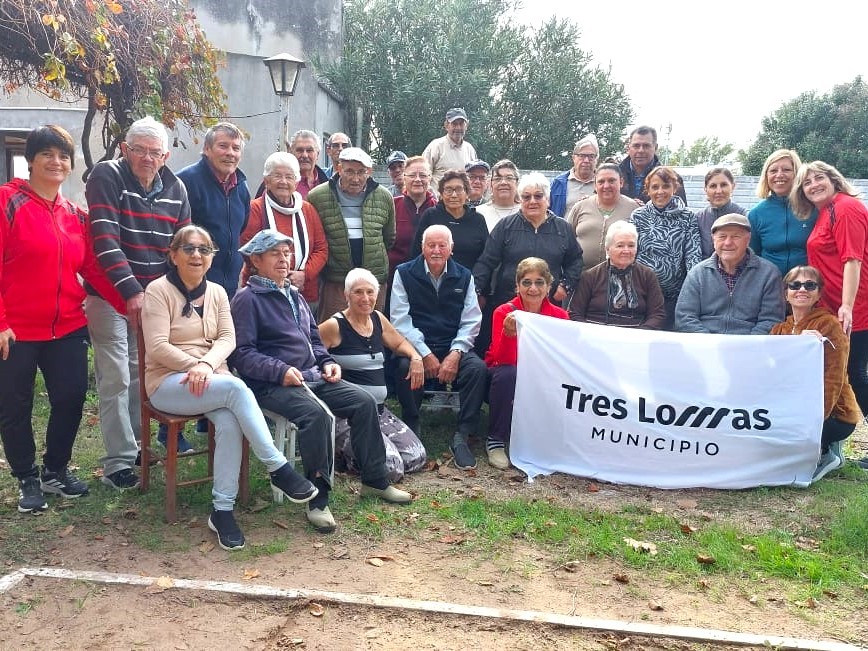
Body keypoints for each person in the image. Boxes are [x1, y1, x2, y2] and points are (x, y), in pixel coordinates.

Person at [141, 225, 317, 549]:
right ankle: (277, 466)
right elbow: (156, 346)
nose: (197, 255)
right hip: (168, 382)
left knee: (229, 420)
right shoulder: (158, 291)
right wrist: (194, 366)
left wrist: (206, 365)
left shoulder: (219, 292)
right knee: (236, 390)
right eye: (190, 249)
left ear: (211, 258)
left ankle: (222, 510)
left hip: (210, 379)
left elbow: (228, 339)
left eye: (204, 249)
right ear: (173, 255)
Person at [231, 231, 412, 533]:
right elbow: (242, 354)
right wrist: (279, 371)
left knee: (364, 401)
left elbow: (314, 340)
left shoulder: (294, 295)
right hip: (271, 385)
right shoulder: (247, 299)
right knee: (316, 416)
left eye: (286, 253)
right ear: (256, 260)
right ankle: (318, 499)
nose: (284, 259)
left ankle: (375, 481)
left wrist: (327, 362)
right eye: (275, 253)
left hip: (311, 377)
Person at [0, 125, 125, 513]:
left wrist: (132, 301)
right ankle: (26, 478)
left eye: (63, 156)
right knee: (14, 406)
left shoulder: (75, 215)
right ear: (31, 159)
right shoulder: (7, 202)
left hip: (68, 326)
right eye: (47, 154)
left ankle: (55, 470)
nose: (56, 162)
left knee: (70, 398)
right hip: (16, 331)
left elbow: (93, 269)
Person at [86, 116, 193, 479]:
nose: (147, 158)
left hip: (154, 297)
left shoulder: (176, 187)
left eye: (154, 152)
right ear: (124, 149)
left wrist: (177, 292)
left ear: (165, 155)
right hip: (109, 294)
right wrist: (131, 291)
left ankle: (137, 449)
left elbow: (182, 245)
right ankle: (119, 460)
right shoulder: (107, 176)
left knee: (140, 372)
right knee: (115, 374)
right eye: (139, 150)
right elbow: (105, 238)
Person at [391, 225, 488, 470]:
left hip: (451, 343)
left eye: (441, 245)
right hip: (416, 345)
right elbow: (400, 320)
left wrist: (455, 353)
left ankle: (463, 435)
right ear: (422, 247)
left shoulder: (464, 275)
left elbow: (471, 320)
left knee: (476, 369)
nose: (436, 250)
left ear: (451, 249)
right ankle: (411, 426)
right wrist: (424, 353)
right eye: (430, 245)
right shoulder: (404, 273)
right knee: (404, 365)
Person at [791, 161, 868, 464]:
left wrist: (846, 305)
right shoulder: (825, 212)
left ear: (834, 179)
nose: (813, 185)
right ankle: (829, 443)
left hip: (855, 308)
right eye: (807, 183)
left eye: (818, 178)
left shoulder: (845, 207)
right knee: (840, 372)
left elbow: (853, 259)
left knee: (854, 374)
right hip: (833, 306)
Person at [318, 268, 427, 482]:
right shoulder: (334, 326)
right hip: (348, 415)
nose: (365, 298)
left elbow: (399, 343)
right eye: (358, 292)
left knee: (416, 457)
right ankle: (343, 451)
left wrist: (415, 357)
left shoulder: (377, 318)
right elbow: (309, 353)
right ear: (346, 295)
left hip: (379, 412)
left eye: (370, 292)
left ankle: (361, 452)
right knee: (391, 469)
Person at [770, 266, 860, 481]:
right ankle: (824, 447)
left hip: (834, 415)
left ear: (819, 294)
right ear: (786, 293)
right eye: (795, 285)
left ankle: (826, 449)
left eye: (810, 285)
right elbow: (771, 372)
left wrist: (815, 422)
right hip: (791, 409)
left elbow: (833, 379)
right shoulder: (779, 330)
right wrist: (797, 342)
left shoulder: (829, 325)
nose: (802, 289)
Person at [485, 258, 568, 469]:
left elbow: (563, 357)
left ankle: (547, 438)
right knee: (508, 374)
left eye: (539, 282)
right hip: (507, 371)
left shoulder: (560, 316)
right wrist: (510, 334)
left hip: (543, 372)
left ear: (549, 286)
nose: (533, 288)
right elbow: (502, 359)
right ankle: (496, 440)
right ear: (517, 286)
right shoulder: (504, 312)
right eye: (526, 282)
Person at [307, 147, 396, 321]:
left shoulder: (384, 196)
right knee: (335, 329)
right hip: (336, 279)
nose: (356, 178)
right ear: (339, 168)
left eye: (361, 172)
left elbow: (389, 237)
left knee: (372, 327)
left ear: (369, 172)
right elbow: (314, 238)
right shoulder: (318, 196)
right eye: (349, 171)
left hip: (373, 278)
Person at [473, 172, 583, 310]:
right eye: (526, 197)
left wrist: (565, 286)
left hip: (549, 304)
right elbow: (486, 261)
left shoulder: (563, 228)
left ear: (547, 200)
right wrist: (476, 290)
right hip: (509, 303)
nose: (532, 201)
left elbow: (575, 260)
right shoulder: (506, 226)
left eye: (538, 196)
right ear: (520, 200)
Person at [240, 151, 328, 314]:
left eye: (289, 176)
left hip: (305, 293)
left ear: (296, 181)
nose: (283, 182)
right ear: (266, 180)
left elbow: (321, 249)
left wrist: (304, 274)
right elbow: (248, 251)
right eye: (277, 176)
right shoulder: (254, 209)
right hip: (263, 294)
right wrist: (279, 278)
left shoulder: (308, 209)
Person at [675, 214, 784, 334]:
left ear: (748, 240)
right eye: (722, 237)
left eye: (736, 236)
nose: (728, 242)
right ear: (713, 239)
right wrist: (710, 343)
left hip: (750, 345)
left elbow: (771, 319)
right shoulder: (697, 274)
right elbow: (684, 317)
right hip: (706, 344)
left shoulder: (769, 273)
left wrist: (747, 346)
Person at [177, 122, 249, 298]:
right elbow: (175, 236)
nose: (230, 153)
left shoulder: (241, 187)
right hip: (191, 287)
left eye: (236, 148)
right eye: (223, 146)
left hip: (229, 287)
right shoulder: (185, 182)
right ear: (207, 149)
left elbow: (241, 228)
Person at [630, 166, 702, 329]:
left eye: (665, 186)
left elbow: (693, 254)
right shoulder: (638, 216)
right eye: (655, 187)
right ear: (647, 190)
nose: (660, 191)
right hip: (642, 293)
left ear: (674, 188)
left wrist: (693, 289)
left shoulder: (688, 216)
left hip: (674, 296)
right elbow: (631, 252)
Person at [568, 221, 665, 329]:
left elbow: (657, 314)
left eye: (631, 245)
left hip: (635, 339)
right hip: (595, 338)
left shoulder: (647, 276)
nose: (626, 250)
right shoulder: (590, 277)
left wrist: (639, 335)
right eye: (620, 245)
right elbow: (575, 313)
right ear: (607, 249)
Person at [748, 149, 816, 275]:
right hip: (770, 286)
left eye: (786, 170)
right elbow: (752, 257)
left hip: (807, 287)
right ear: (766, 176)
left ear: (797, 174)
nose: (779, 175)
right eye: (773, 171)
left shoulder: (815, 209)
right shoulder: (756, 215)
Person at [411, 170, 489, 271]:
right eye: (448, 190)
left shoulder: (478, 220)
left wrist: (475, 283)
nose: (454, 195)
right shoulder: (430, 216)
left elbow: (486, 257)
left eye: (459, 189)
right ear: (441, 194)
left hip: (470, 281)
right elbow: (417, 252)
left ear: (467, 193)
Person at [566, 162, 637, 269]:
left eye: (612, 181)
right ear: (595, 185)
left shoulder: (634, 209)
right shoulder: (580, 207)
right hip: (581, 277)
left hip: (620, 276)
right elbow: (566, 240)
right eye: (601, 181)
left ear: (621, 182)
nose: (606, 186)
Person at [389, 156, 437, 282]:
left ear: (430, 177)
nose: (417, 179)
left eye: (422, 175)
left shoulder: (438, 209)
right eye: (412, 175)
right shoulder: (392, 206)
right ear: (404, 177)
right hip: (394, 277)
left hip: (429, 278)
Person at [619, 126, 686, 204]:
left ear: (656, 147)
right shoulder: (614, 176)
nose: (641, 150)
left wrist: (647, 212)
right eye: (636, 146)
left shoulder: (672, 178)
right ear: (628, 148)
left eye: (646, 146)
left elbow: (681, 212)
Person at [695, 167, 748, 258]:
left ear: (733, 186)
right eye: (713, 186)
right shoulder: (697, 219)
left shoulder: (744, 217)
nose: (719, 191)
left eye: (724, 185)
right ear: (705, 189)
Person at [422, 108, 477, 185]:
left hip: (463, 197)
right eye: (454, 124)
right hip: (438, 196)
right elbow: (423, 175)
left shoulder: (470, 149)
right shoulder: (435, 146)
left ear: (466, 125)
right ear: (446, 125)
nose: (458, 128)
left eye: (461, 124)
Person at [550, 133, 598, 217]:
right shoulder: (558, 184)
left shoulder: (605, 184)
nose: (586, 160)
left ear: (596, 159)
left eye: (591, 156)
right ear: (573, 158)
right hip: (563, 230)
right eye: (582, 156)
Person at [475, 159, 521, 233]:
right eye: (497, 179)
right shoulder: (478, 213)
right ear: (491, 184)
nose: (503, 182)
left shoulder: (526, 211)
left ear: (517, 183)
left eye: (509, 178)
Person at [289, 130, 329, 199]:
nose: (305, 155)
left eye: (309, 150)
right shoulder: (281, 184)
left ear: (317, 154)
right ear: (291, 153)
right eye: (300, 150)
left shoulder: (328, 185)